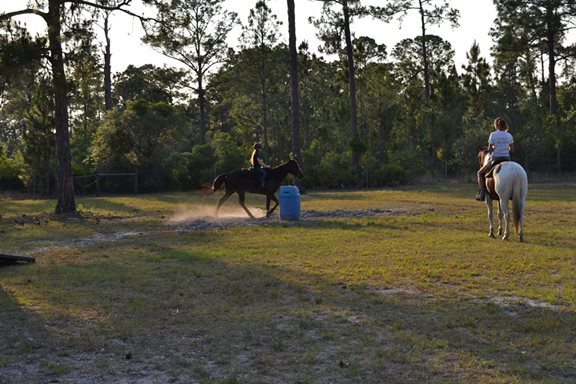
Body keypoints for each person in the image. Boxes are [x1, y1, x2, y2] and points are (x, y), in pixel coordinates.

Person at [476, 117, 515, 201]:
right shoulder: (509, 135)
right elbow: (512, 150)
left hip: (495, 159)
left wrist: (495, 147)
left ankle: (482, 192)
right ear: (505, 126)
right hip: (506, 159)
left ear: (497, 125)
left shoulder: (493, 134)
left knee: (479, 173)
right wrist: (505, 148)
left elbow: (489, 149)